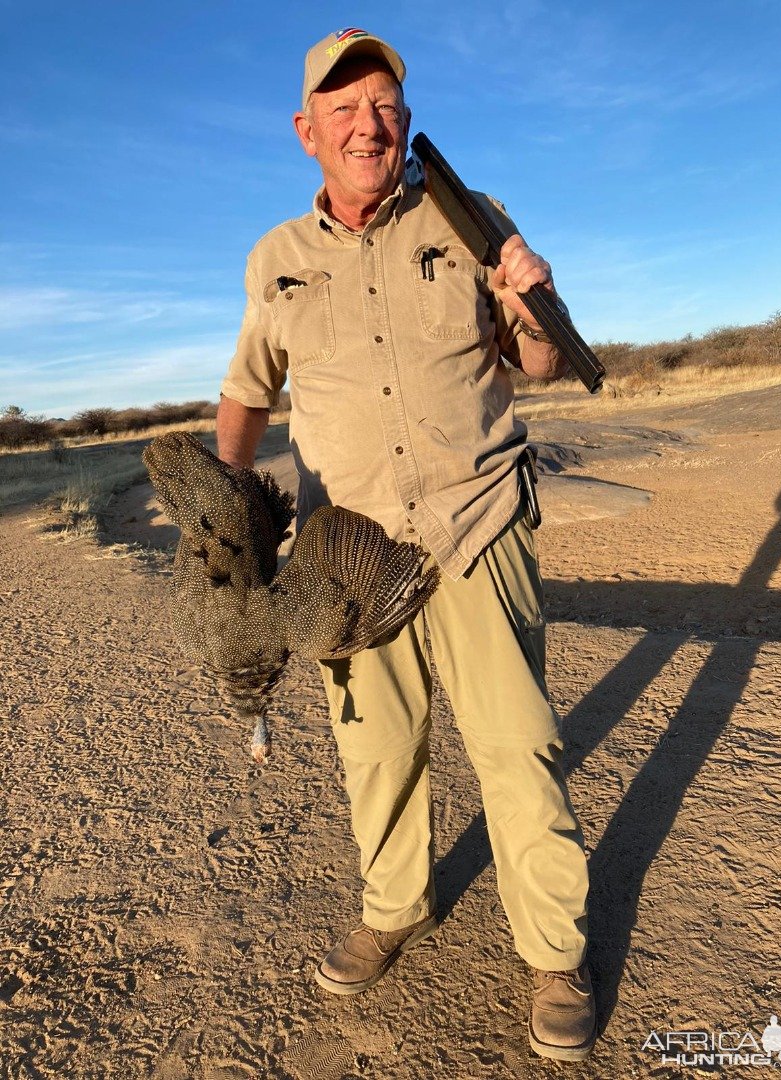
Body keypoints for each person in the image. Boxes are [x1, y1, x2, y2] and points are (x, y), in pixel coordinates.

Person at [217, 28, 596, 1062]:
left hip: (477, 523)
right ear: (308, 133)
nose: (366, 125)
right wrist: (223, 505)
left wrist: (529, 305)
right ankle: (393, 910)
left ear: (405, 117)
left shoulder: (472, 218)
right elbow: (249, 394)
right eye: (342, 111)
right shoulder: (276, 263)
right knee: (377, 752)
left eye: (382, 104)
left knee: (518, 748)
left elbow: (540, 364)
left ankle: (556, 953)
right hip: (345, 556)